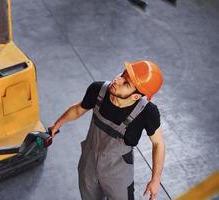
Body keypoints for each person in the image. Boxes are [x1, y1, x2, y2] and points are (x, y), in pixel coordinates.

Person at [49, 60, 165, 200]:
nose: (117, 80)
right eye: (122, 74)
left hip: (118, 173)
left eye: (126, 83)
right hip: (88, 164)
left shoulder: (147, 112)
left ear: (135, 96)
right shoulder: (98, 90)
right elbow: (78, 109)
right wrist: (57, 125)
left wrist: (155, 180)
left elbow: (158, 144)